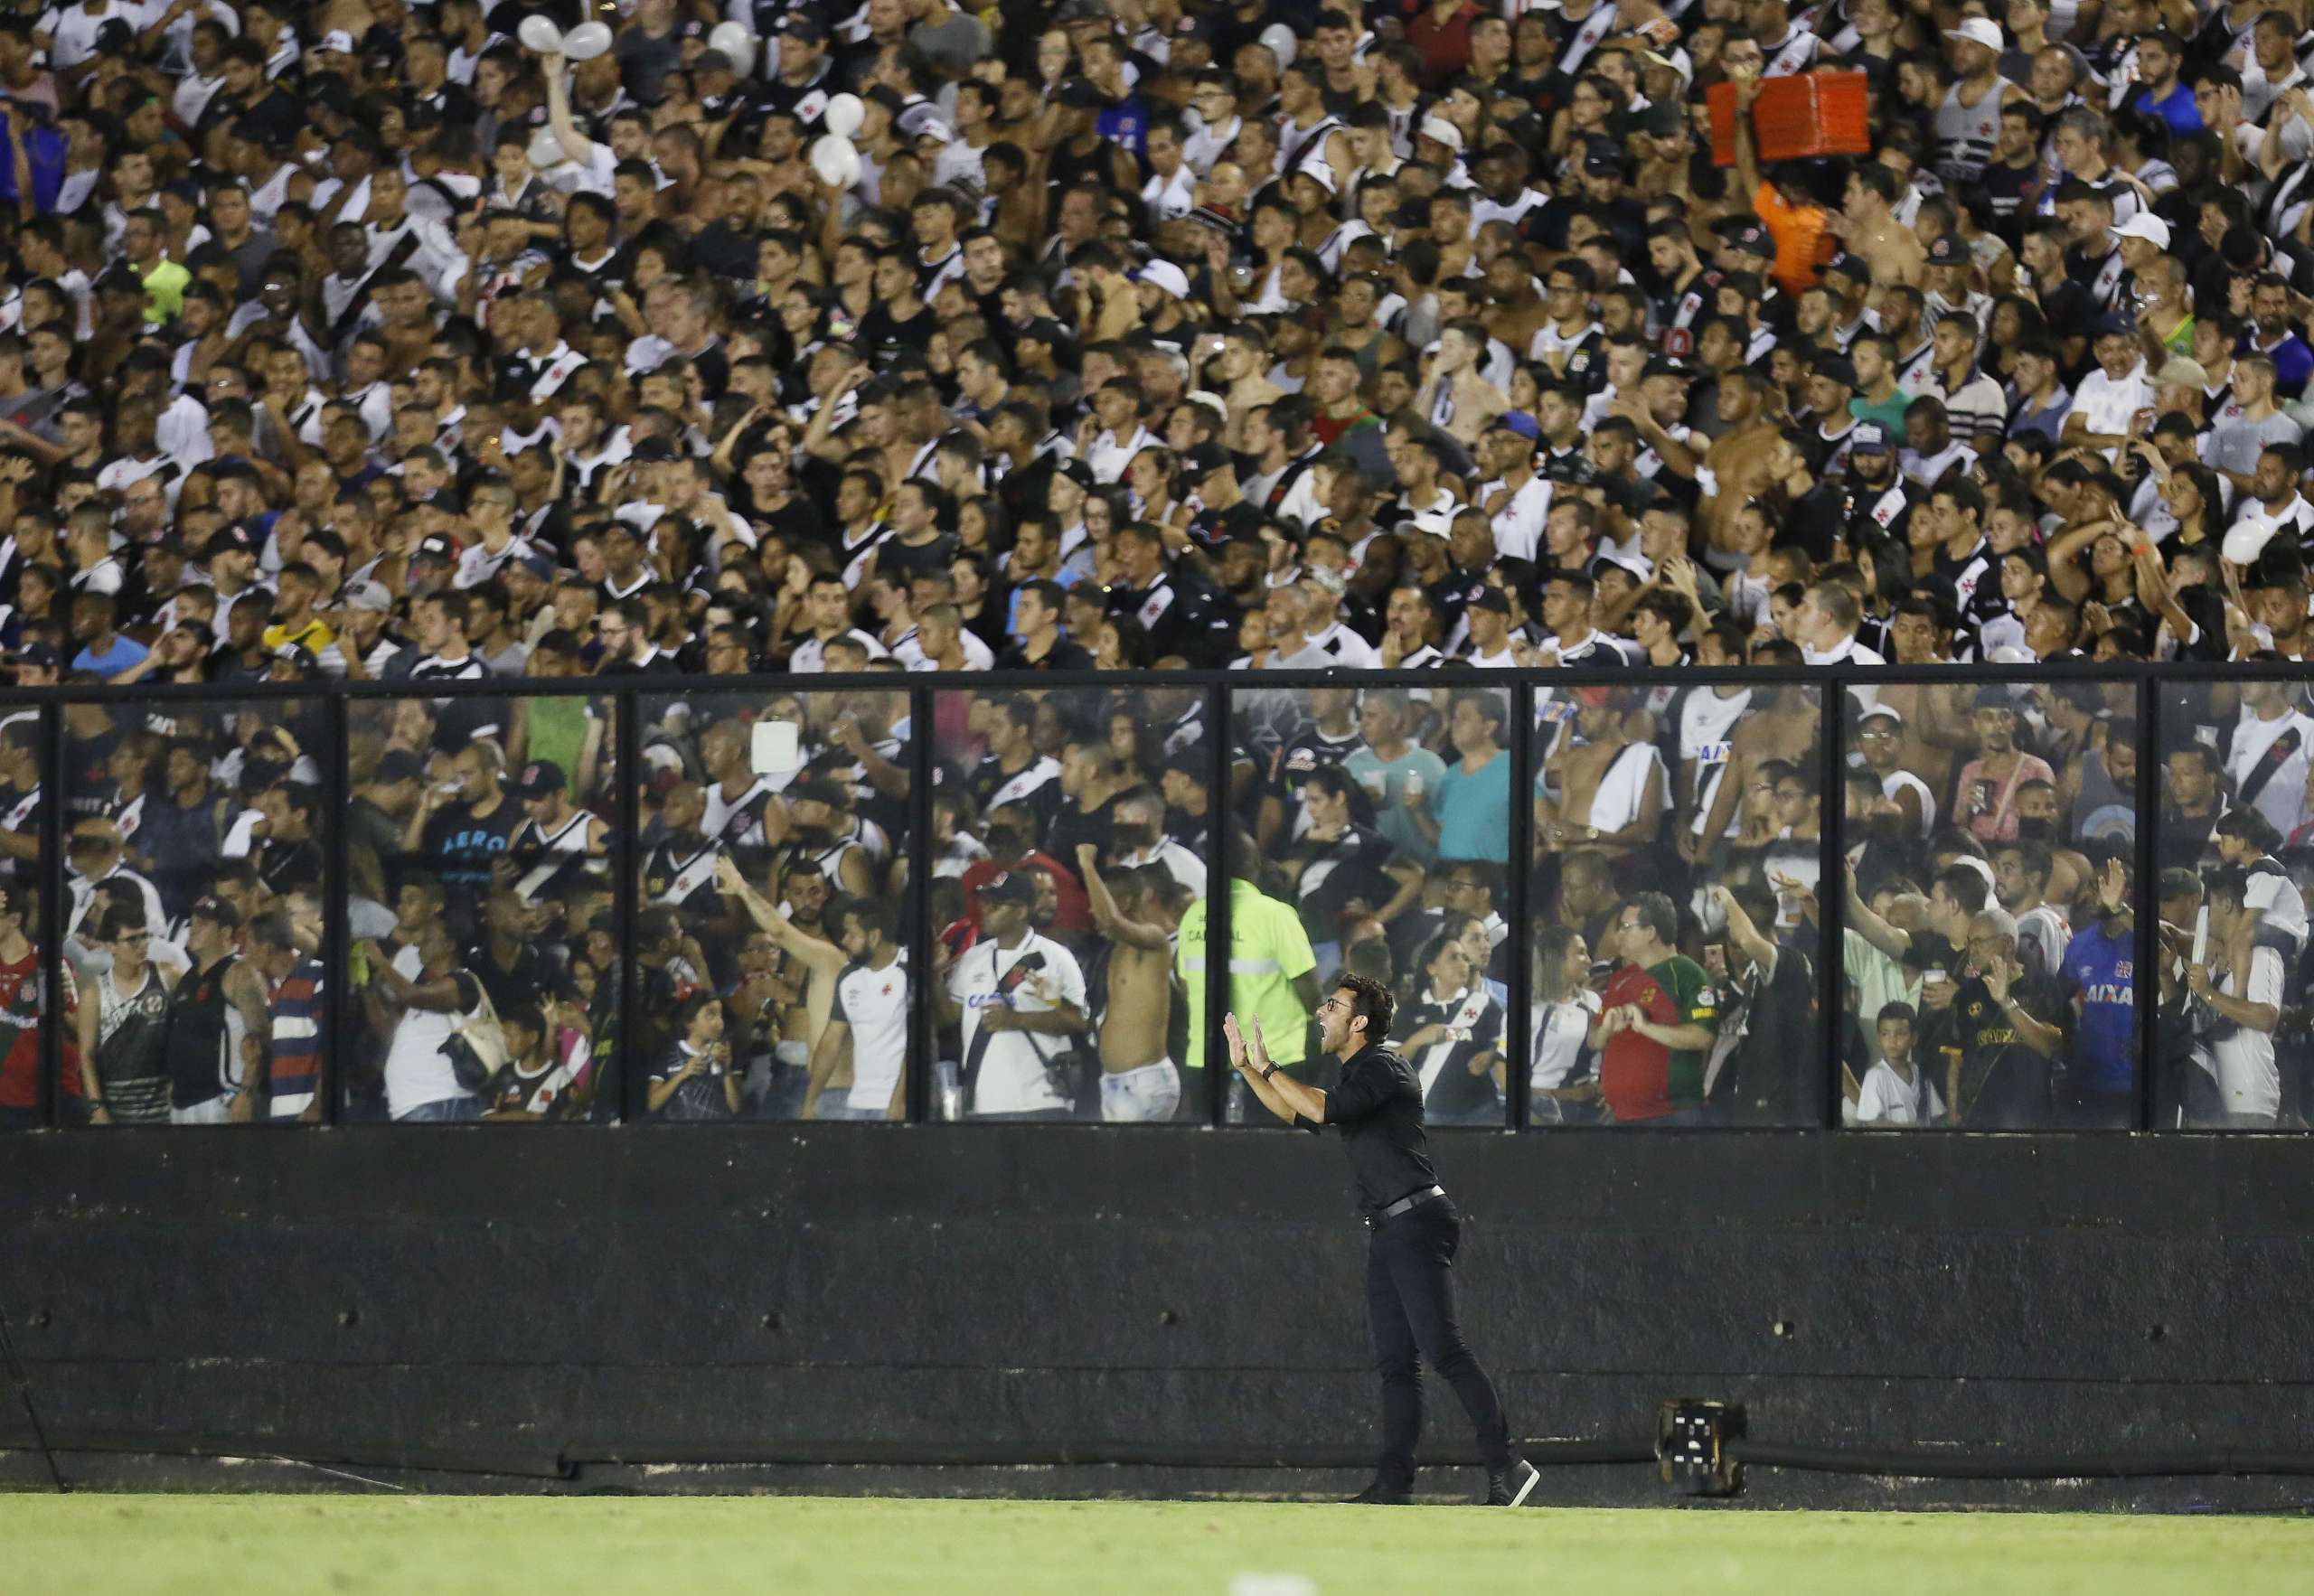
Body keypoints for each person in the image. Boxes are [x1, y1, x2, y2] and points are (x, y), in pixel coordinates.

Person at [1223, 980, 1539, 1508]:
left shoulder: (1383, 1066)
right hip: (1390, 1228)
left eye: (1333, 1006)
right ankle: (1394, 1482)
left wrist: (1272, 1067)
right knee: (1397, 1363)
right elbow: (1295, 1113)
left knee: (1445, 1351)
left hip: (1417, 1220)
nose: (1321, 1012)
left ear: (1360, 1023)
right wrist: (1247, 1070)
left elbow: (1320, 1109)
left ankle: (1508, 1463)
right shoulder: (1355, 1073)